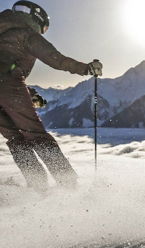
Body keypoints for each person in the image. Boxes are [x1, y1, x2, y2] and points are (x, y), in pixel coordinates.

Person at [0, 1, 103, 191]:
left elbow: (5, 65)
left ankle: (37, 185)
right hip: (8, 85)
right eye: (44, 28)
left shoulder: (4, 28)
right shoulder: (26, 33)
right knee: (36, 134)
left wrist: (29, 94)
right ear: (37, 18)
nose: (42, 32)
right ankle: (68, 184)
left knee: (16, 139)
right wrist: (86, 68)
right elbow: (56, 59)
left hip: (6, 86)